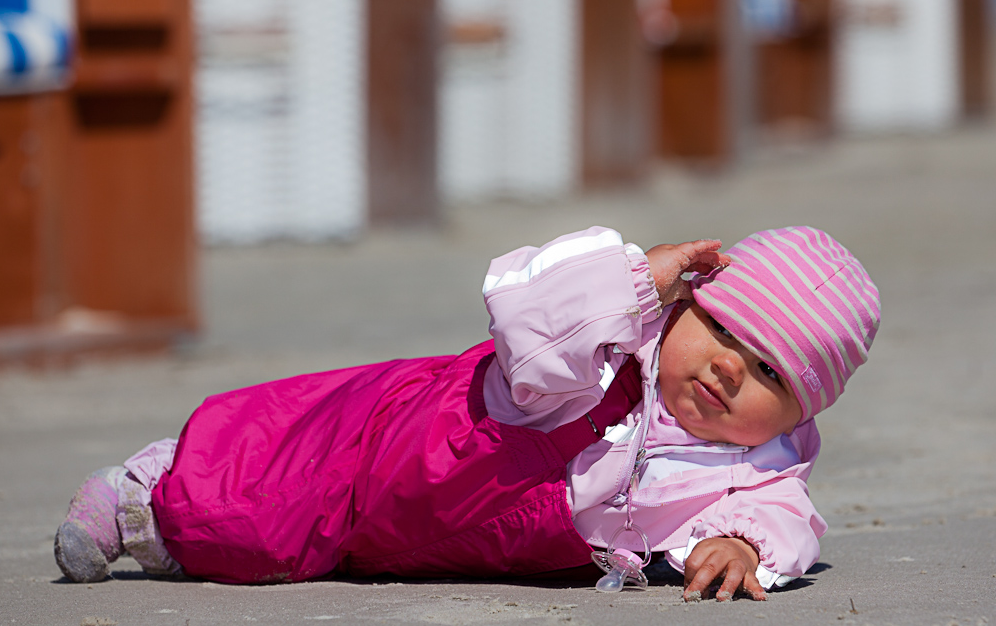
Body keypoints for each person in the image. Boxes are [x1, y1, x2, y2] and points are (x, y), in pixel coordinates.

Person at [53, 225, 880, 602]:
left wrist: (743, 543)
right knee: (261, 512)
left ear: (799, 409)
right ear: (689, 306)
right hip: (425, 441)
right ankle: (149, 494)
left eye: (770, 370)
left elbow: (791, 515)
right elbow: (525, 315)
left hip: (466, 534)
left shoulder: (753, 466)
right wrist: (630, 283)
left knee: (334, 554)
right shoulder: (614, 346)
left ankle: (173, 504)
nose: (730, 368)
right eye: (724, 330)